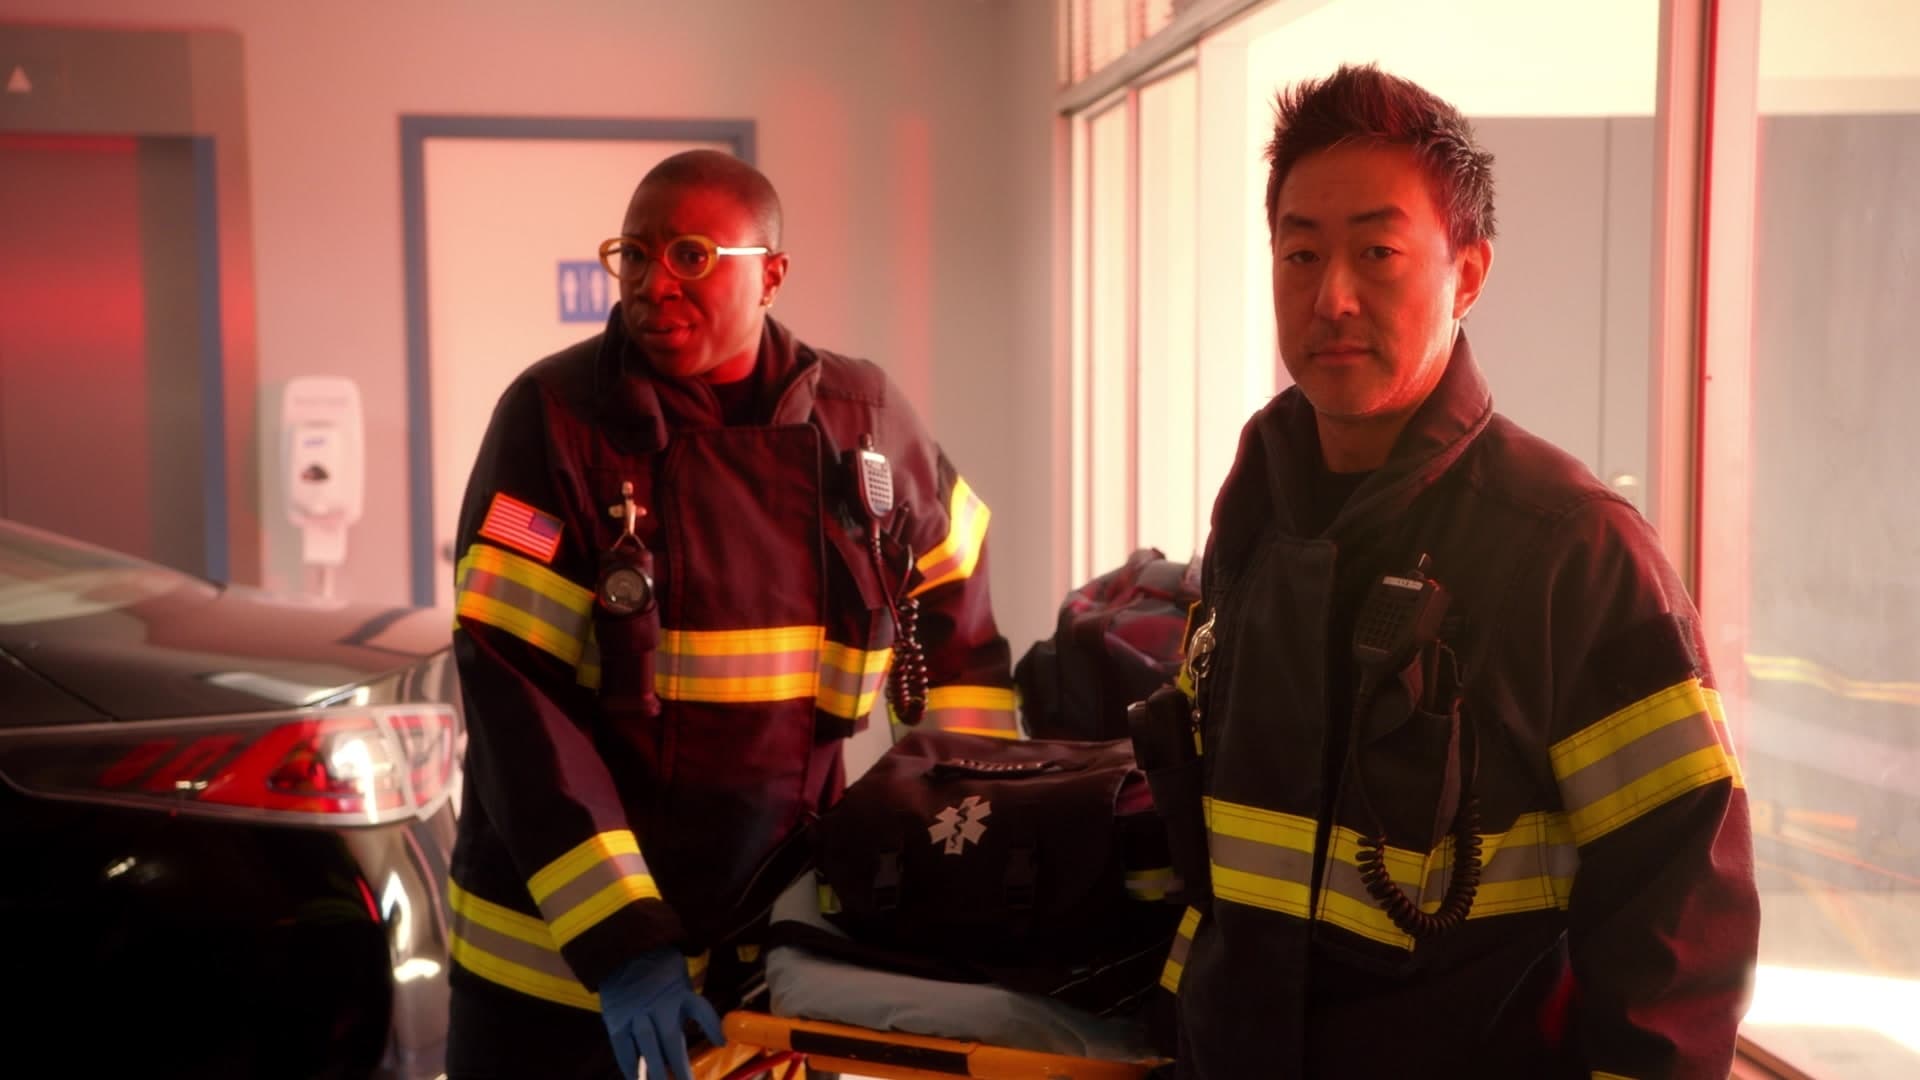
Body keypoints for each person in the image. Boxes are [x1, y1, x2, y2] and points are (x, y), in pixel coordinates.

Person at [1162, 65, 1759, 1077]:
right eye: (1300, 254)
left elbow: (1678, 924)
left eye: (1377, 252)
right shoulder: (1257, 510)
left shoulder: (1572, 549)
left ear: (1469, 274)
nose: (1331, 296)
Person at [443, 149, 1018, 1079]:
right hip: (560, 976)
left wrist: (963, 850)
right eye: (635, 255)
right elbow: (519, 705)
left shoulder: (864, 422)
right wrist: (623, 942)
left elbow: (963, 644)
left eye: (691, 255)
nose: (653, 283)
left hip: (773, 959)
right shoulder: (552, 421)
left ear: (772, 275)